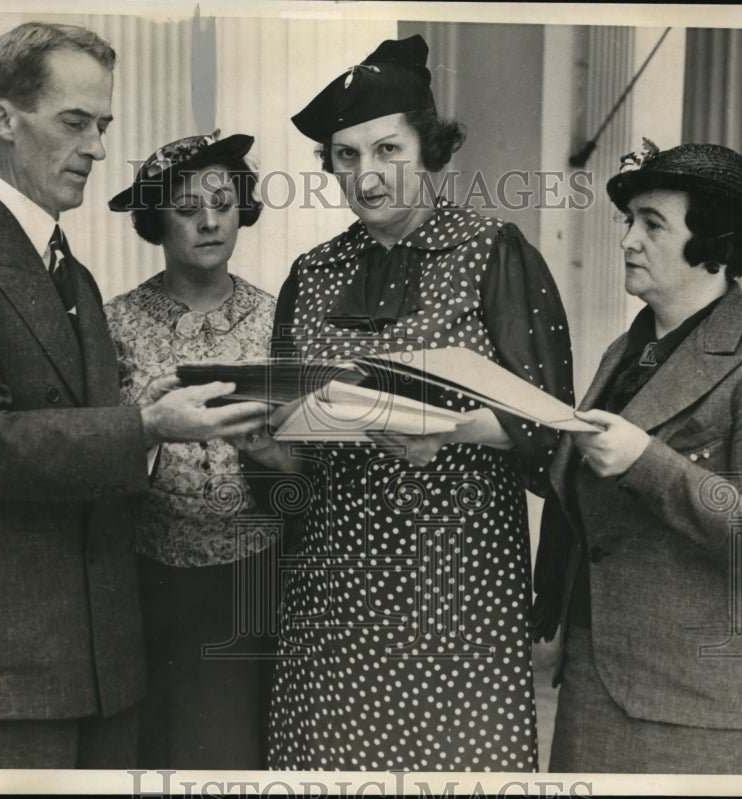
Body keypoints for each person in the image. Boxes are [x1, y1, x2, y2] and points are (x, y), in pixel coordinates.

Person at [0, 22, 266, 769]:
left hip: (113, 676)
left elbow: (98, 451)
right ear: (2, 119)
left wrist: (156, 432)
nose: (95, 147)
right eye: (74, 122)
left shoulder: (76, 278)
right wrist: (145, 425)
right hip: (10, 678)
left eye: (103, 125)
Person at [243, 34, 574, 771]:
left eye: (387, 150)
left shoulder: (494, 251)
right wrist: (265, 444)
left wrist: (448, 430)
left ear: (428, 149)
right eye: (347, 155)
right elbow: (290, 437)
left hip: (457, 595)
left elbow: (555, 425)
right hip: (331, 601)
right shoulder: (314, 271)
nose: (367, 175)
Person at [531, 141, 742, 773]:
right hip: (597, 686)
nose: (628, 240)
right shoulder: (626, 350)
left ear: (714, 246)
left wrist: (647, 463)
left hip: (701, 712)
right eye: (628, 221)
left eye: (652, 224)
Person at [104, 132, 276, 768]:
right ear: (155, 219)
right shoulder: (113, 323)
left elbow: (311, 461)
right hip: (149, 576)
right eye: (185, 208)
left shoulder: (276, 318)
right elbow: (98, 451)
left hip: (256, 576)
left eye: (223, 202)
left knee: (242, 753)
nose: (209, 221)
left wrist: (272, 455)